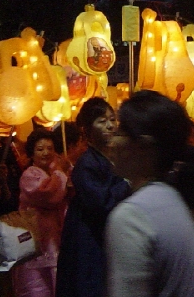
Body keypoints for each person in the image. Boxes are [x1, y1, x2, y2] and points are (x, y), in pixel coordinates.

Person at [105, 90, 194, 296]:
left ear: (143, 146)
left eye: (121, 132)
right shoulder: (191, 204)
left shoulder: (133, 217)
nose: (112, 141)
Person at [56, 97, 131, 297]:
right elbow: (101, 203)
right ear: (88, 129)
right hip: (88, 235)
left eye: (112, 119)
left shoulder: (113, 156)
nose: (110, 125)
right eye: (101, 121)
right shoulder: (86, 164)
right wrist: (126, 184)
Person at [11, 128, 68, 297]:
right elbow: (49, 195)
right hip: (37, 239)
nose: (46, 153)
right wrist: (60, 173)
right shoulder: (30, 175)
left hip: (54, 238)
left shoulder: (54, 172)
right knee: (37, 285)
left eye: (50, 148)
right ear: (32, 153)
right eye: (40, 149)